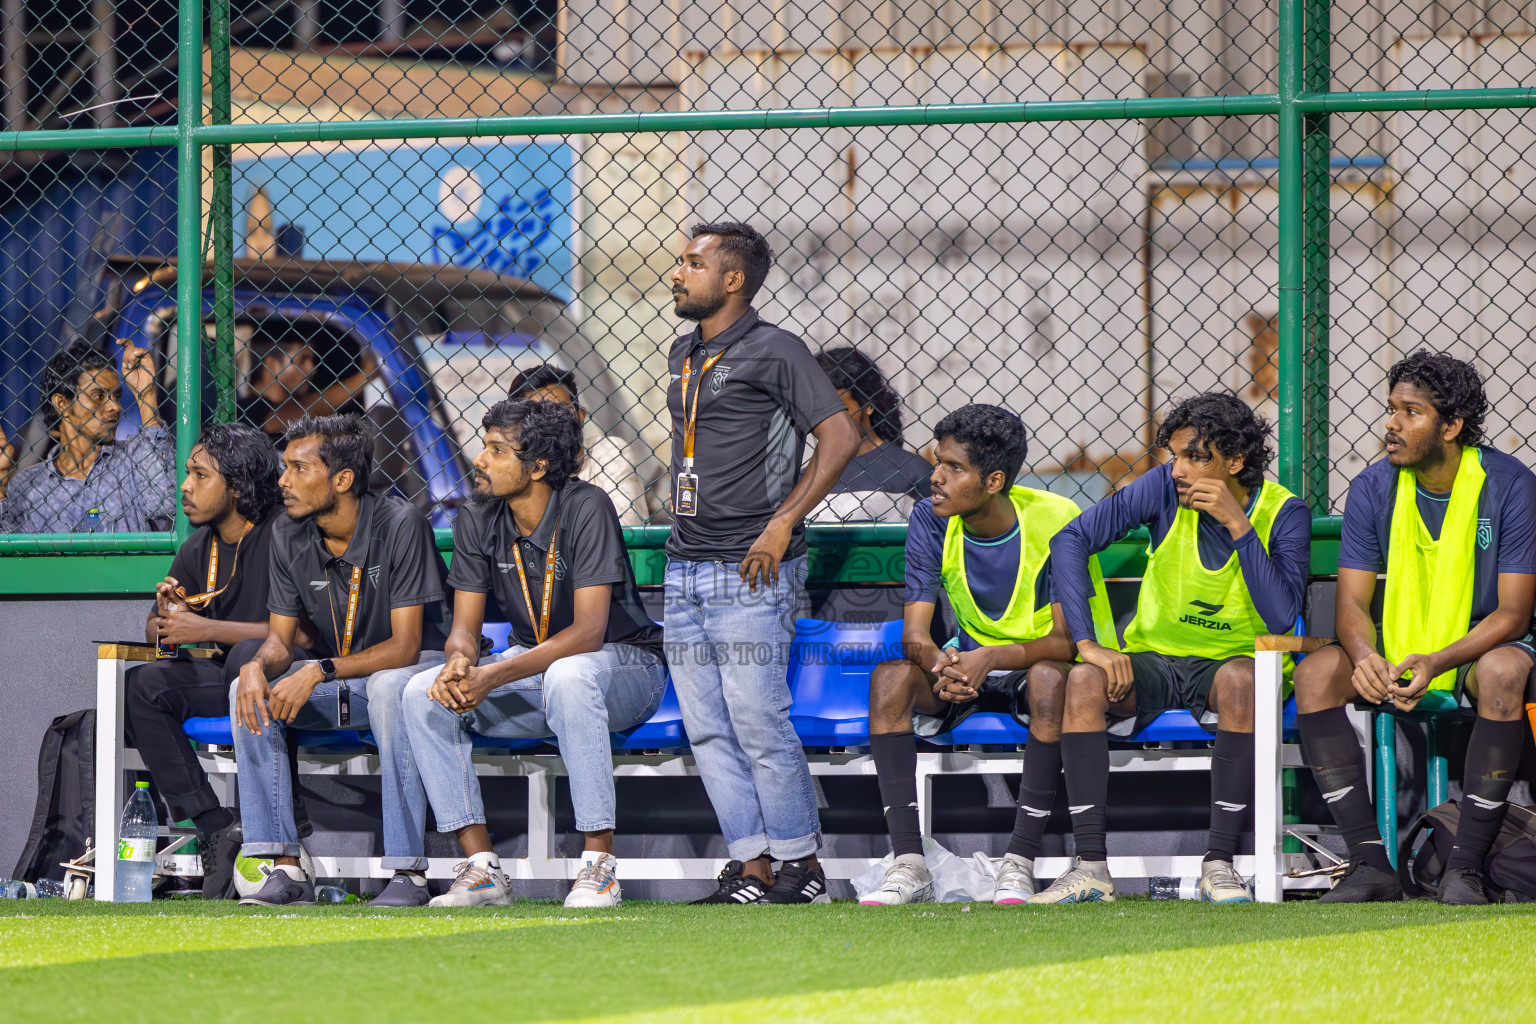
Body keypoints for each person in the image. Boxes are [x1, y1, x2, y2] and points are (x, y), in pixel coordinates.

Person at [1037, 391, 1311, 904]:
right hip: (1156, 661)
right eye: (1176, 454)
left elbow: (1282, 616)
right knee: (1082, 679)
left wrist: (1238, 526)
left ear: (1236, 461)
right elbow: (1069, 541)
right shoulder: (1164, 487)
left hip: (1234, 666)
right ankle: (1091, 867)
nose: (1178, 469)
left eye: (1195, 456)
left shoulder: (1284, 511)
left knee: (1241, 681)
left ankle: (1219, 864)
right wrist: (1087, 644)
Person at [400, 399, 667, 907]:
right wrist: (460, 660)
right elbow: (464, 630)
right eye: (485, 446)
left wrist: (492, 678)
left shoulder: (586, 506)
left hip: (625, 667)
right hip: (536, 666)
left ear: (538, 466)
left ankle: (599, 866)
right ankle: (481, 871)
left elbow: (589, 632)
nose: (480, 459)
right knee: (422, 693)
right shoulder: (478, 515)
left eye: (498, 450)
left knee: (569, 674)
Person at [664, 221, 860, 904]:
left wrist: (783, 522)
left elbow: (839, 435)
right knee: (708, 726)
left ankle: (800, 865)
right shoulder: (683, 353)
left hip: (749, 570)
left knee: (756, 718)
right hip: (683, 567)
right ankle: (750, 866)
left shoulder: (777, 350)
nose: (677, 272)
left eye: (692, 263)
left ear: (733, 278)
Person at [1294, 351, 1536, 905]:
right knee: (1313, 678)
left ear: (1450, 426)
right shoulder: (1375, 486)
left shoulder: (1509, 485)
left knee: (1503, 673)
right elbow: (1353, 602)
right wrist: (1362, 656)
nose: (1392, 424)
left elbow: (1513, 614)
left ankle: (1467, 869)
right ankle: (1368, 864)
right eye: (1391, 410)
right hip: (1397, 644)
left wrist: (1437, 662)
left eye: (1411, 412)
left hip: (1480, 642)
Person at [859, 405, 1117, 906]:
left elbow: (1068, 642)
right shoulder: (930, 519)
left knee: (1048, 678)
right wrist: (942, 667)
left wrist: (989, 658)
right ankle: (910, 862)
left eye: (953, 468)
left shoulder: (1054, 519)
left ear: (994, 479)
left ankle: (1018, 861)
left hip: (1046, 667)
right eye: (937, 462)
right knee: (890, 679)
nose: (935, 477)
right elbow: (916, 634)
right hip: (972, 667)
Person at [229, 413, 450, 907]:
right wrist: (256, 667)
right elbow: (280, 641)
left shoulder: (400, 523)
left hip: (419, 678)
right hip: (346, 678)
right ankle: (281, 867)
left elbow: (405, 647)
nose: (282, 482)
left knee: (390, 686)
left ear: (343, 479)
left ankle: (407, 873)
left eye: (298, 469)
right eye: (283, 468)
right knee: (246, 688)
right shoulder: (286, 532)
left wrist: (319, 669)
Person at [123, 423, 312, 898]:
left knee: (248, 656)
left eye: (200, 475)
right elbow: (155, 627)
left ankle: (284, 818)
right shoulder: (198, 544)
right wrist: (169, 615)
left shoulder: (284, 533)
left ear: (238, 485)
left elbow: (305, 632)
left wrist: (207, 630)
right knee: (143, 685)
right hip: (230, 675)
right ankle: (213, 823)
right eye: (187, 473)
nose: (185, 485)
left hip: (296, 672)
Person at [0, 337, 173, 532]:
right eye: (98, 396)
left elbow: (167, 505)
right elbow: (12, 554)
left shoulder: (134, 460)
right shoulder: (28, 486)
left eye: (116, 396)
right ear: (62, 404)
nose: (114, 407)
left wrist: (146, 395)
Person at [506, 364, 662, 526]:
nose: (551, 421)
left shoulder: (607, 451)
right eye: (538, 414)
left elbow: (626, 527)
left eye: (559, 410)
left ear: (580, 416)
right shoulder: (512, 463)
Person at [809, 346, 933, 523]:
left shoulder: (913, 474)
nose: (825, 419)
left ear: (867, 405)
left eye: (837, 409)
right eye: (816, 409)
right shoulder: (802, 480)